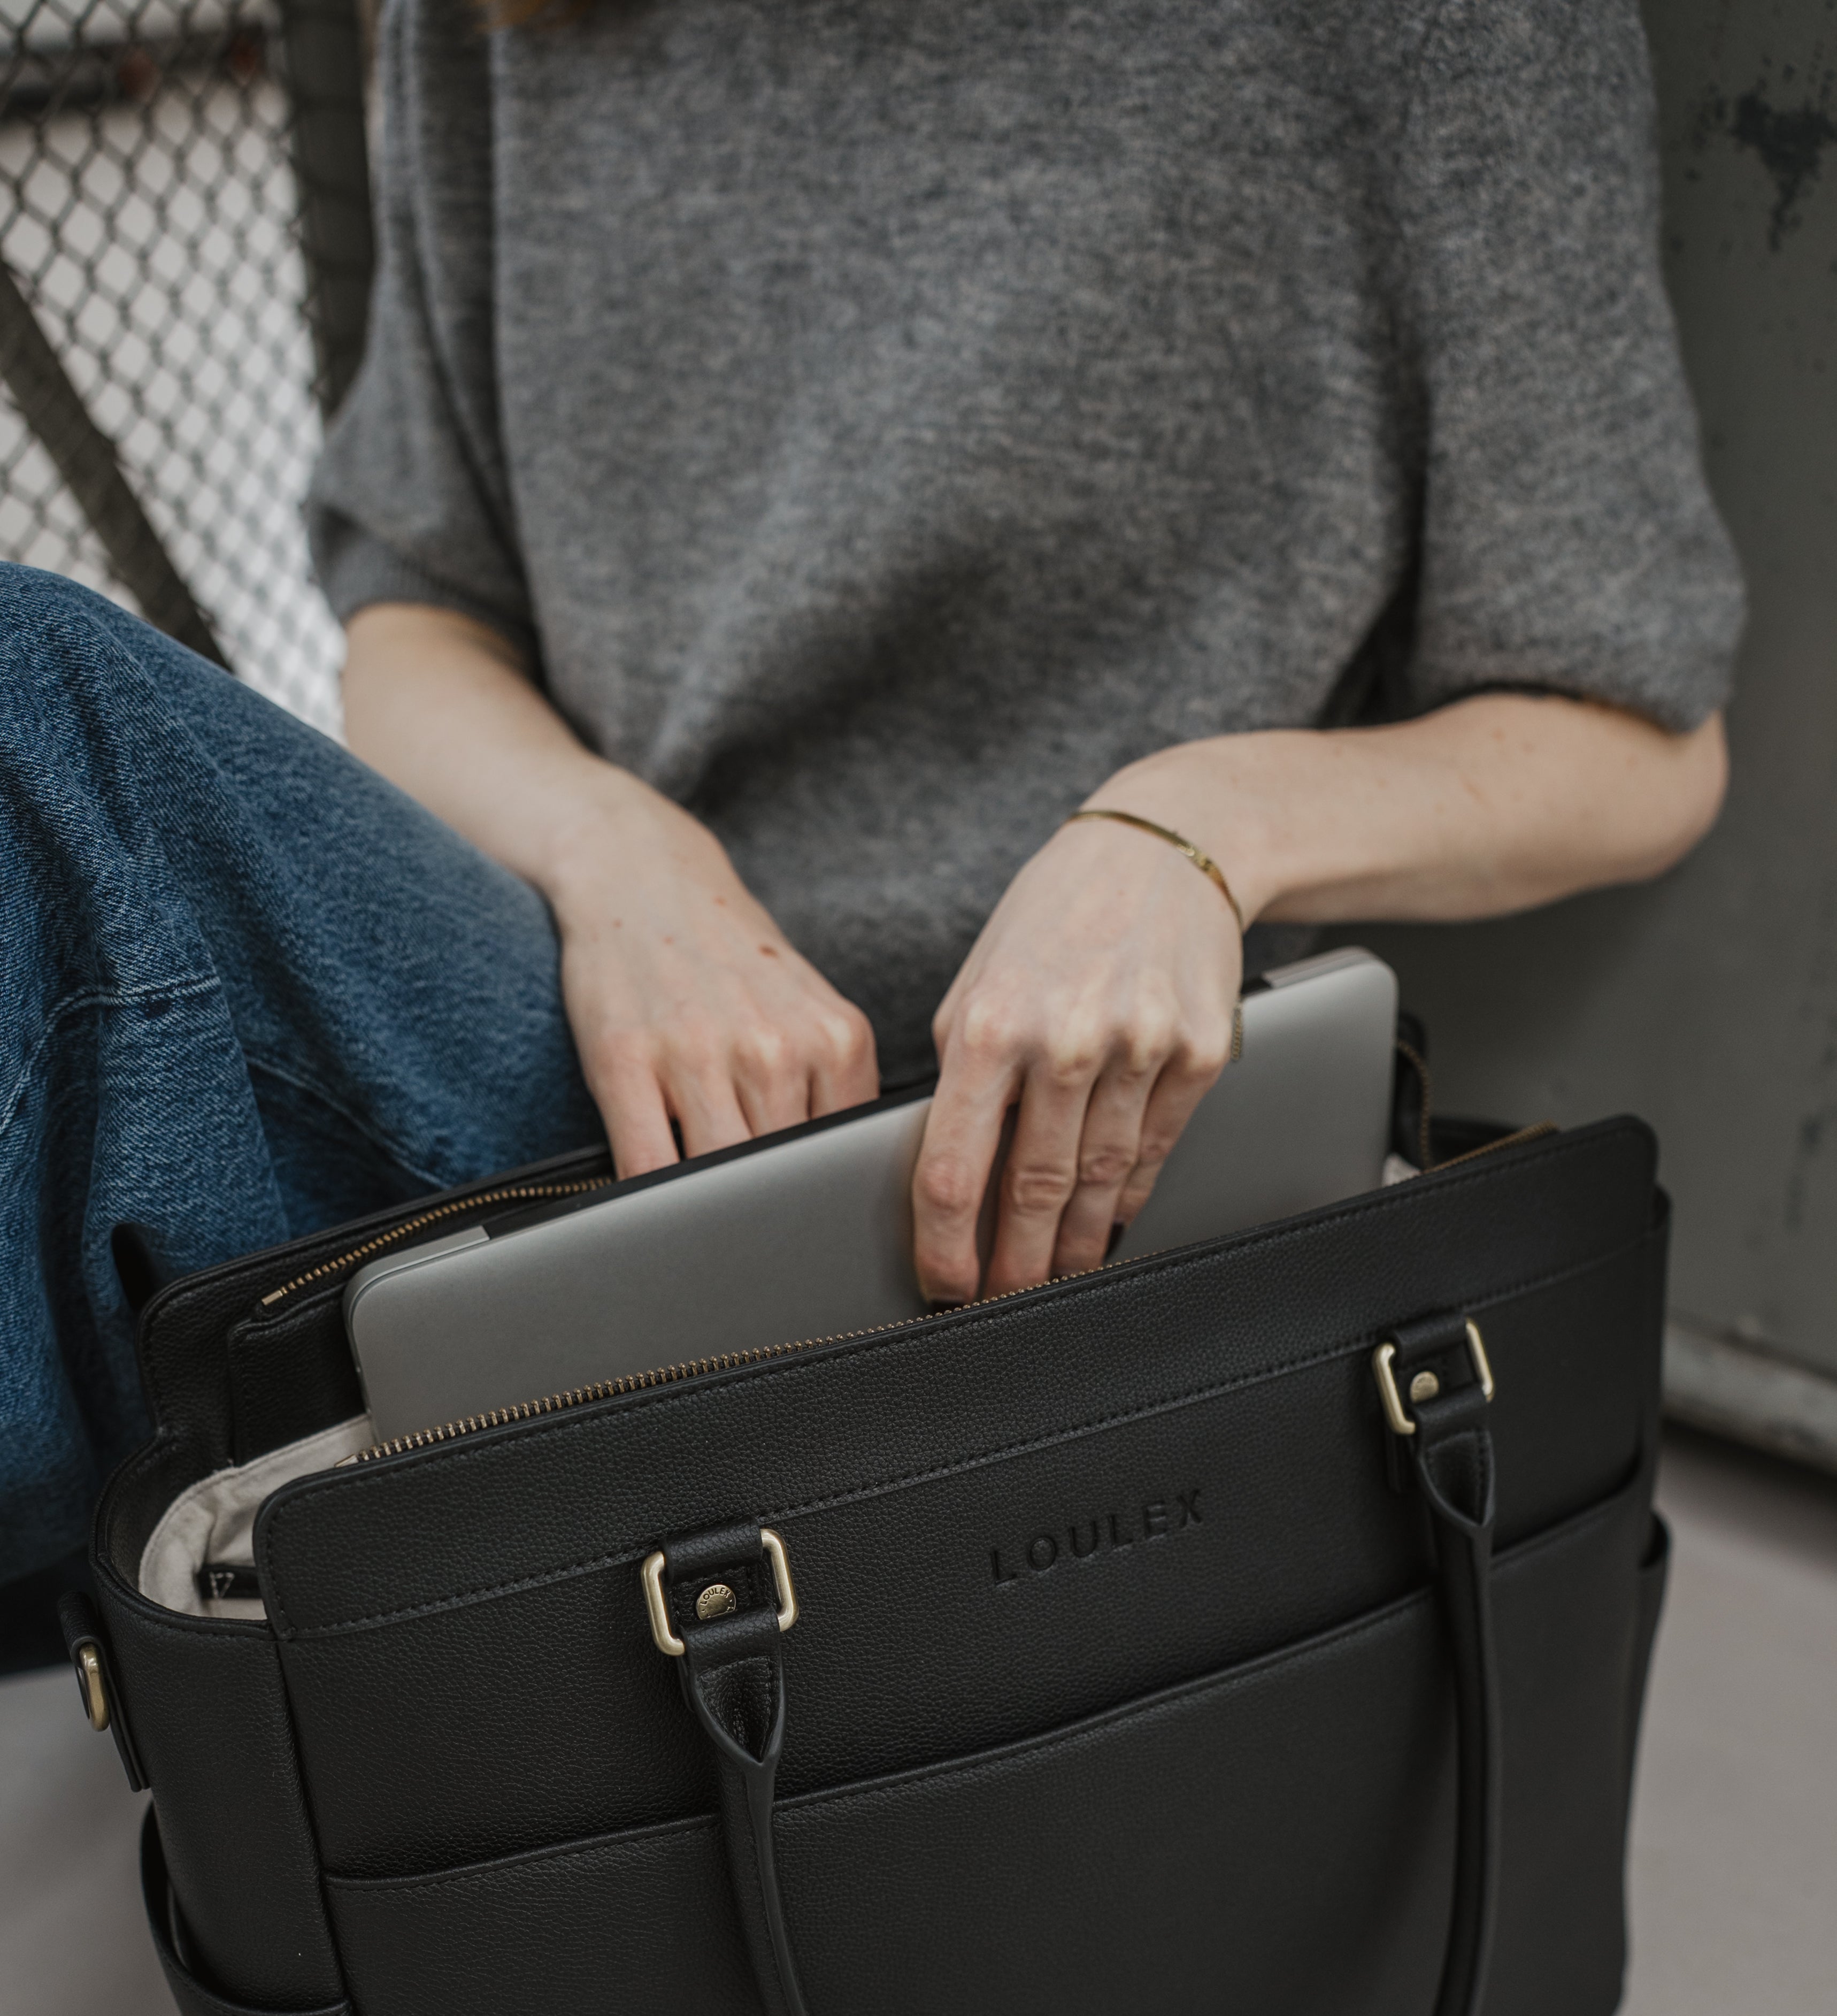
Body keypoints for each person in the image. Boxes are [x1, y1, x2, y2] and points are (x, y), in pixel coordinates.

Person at [0, 0, 1742, 1606]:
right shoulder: (512, 23)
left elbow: (1636, 737)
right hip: (588, 1054)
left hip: (1085, 1165)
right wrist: (622, 865)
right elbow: (417, 611)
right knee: (32, 695)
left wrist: (1193, 830)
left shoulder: (1433, 33)